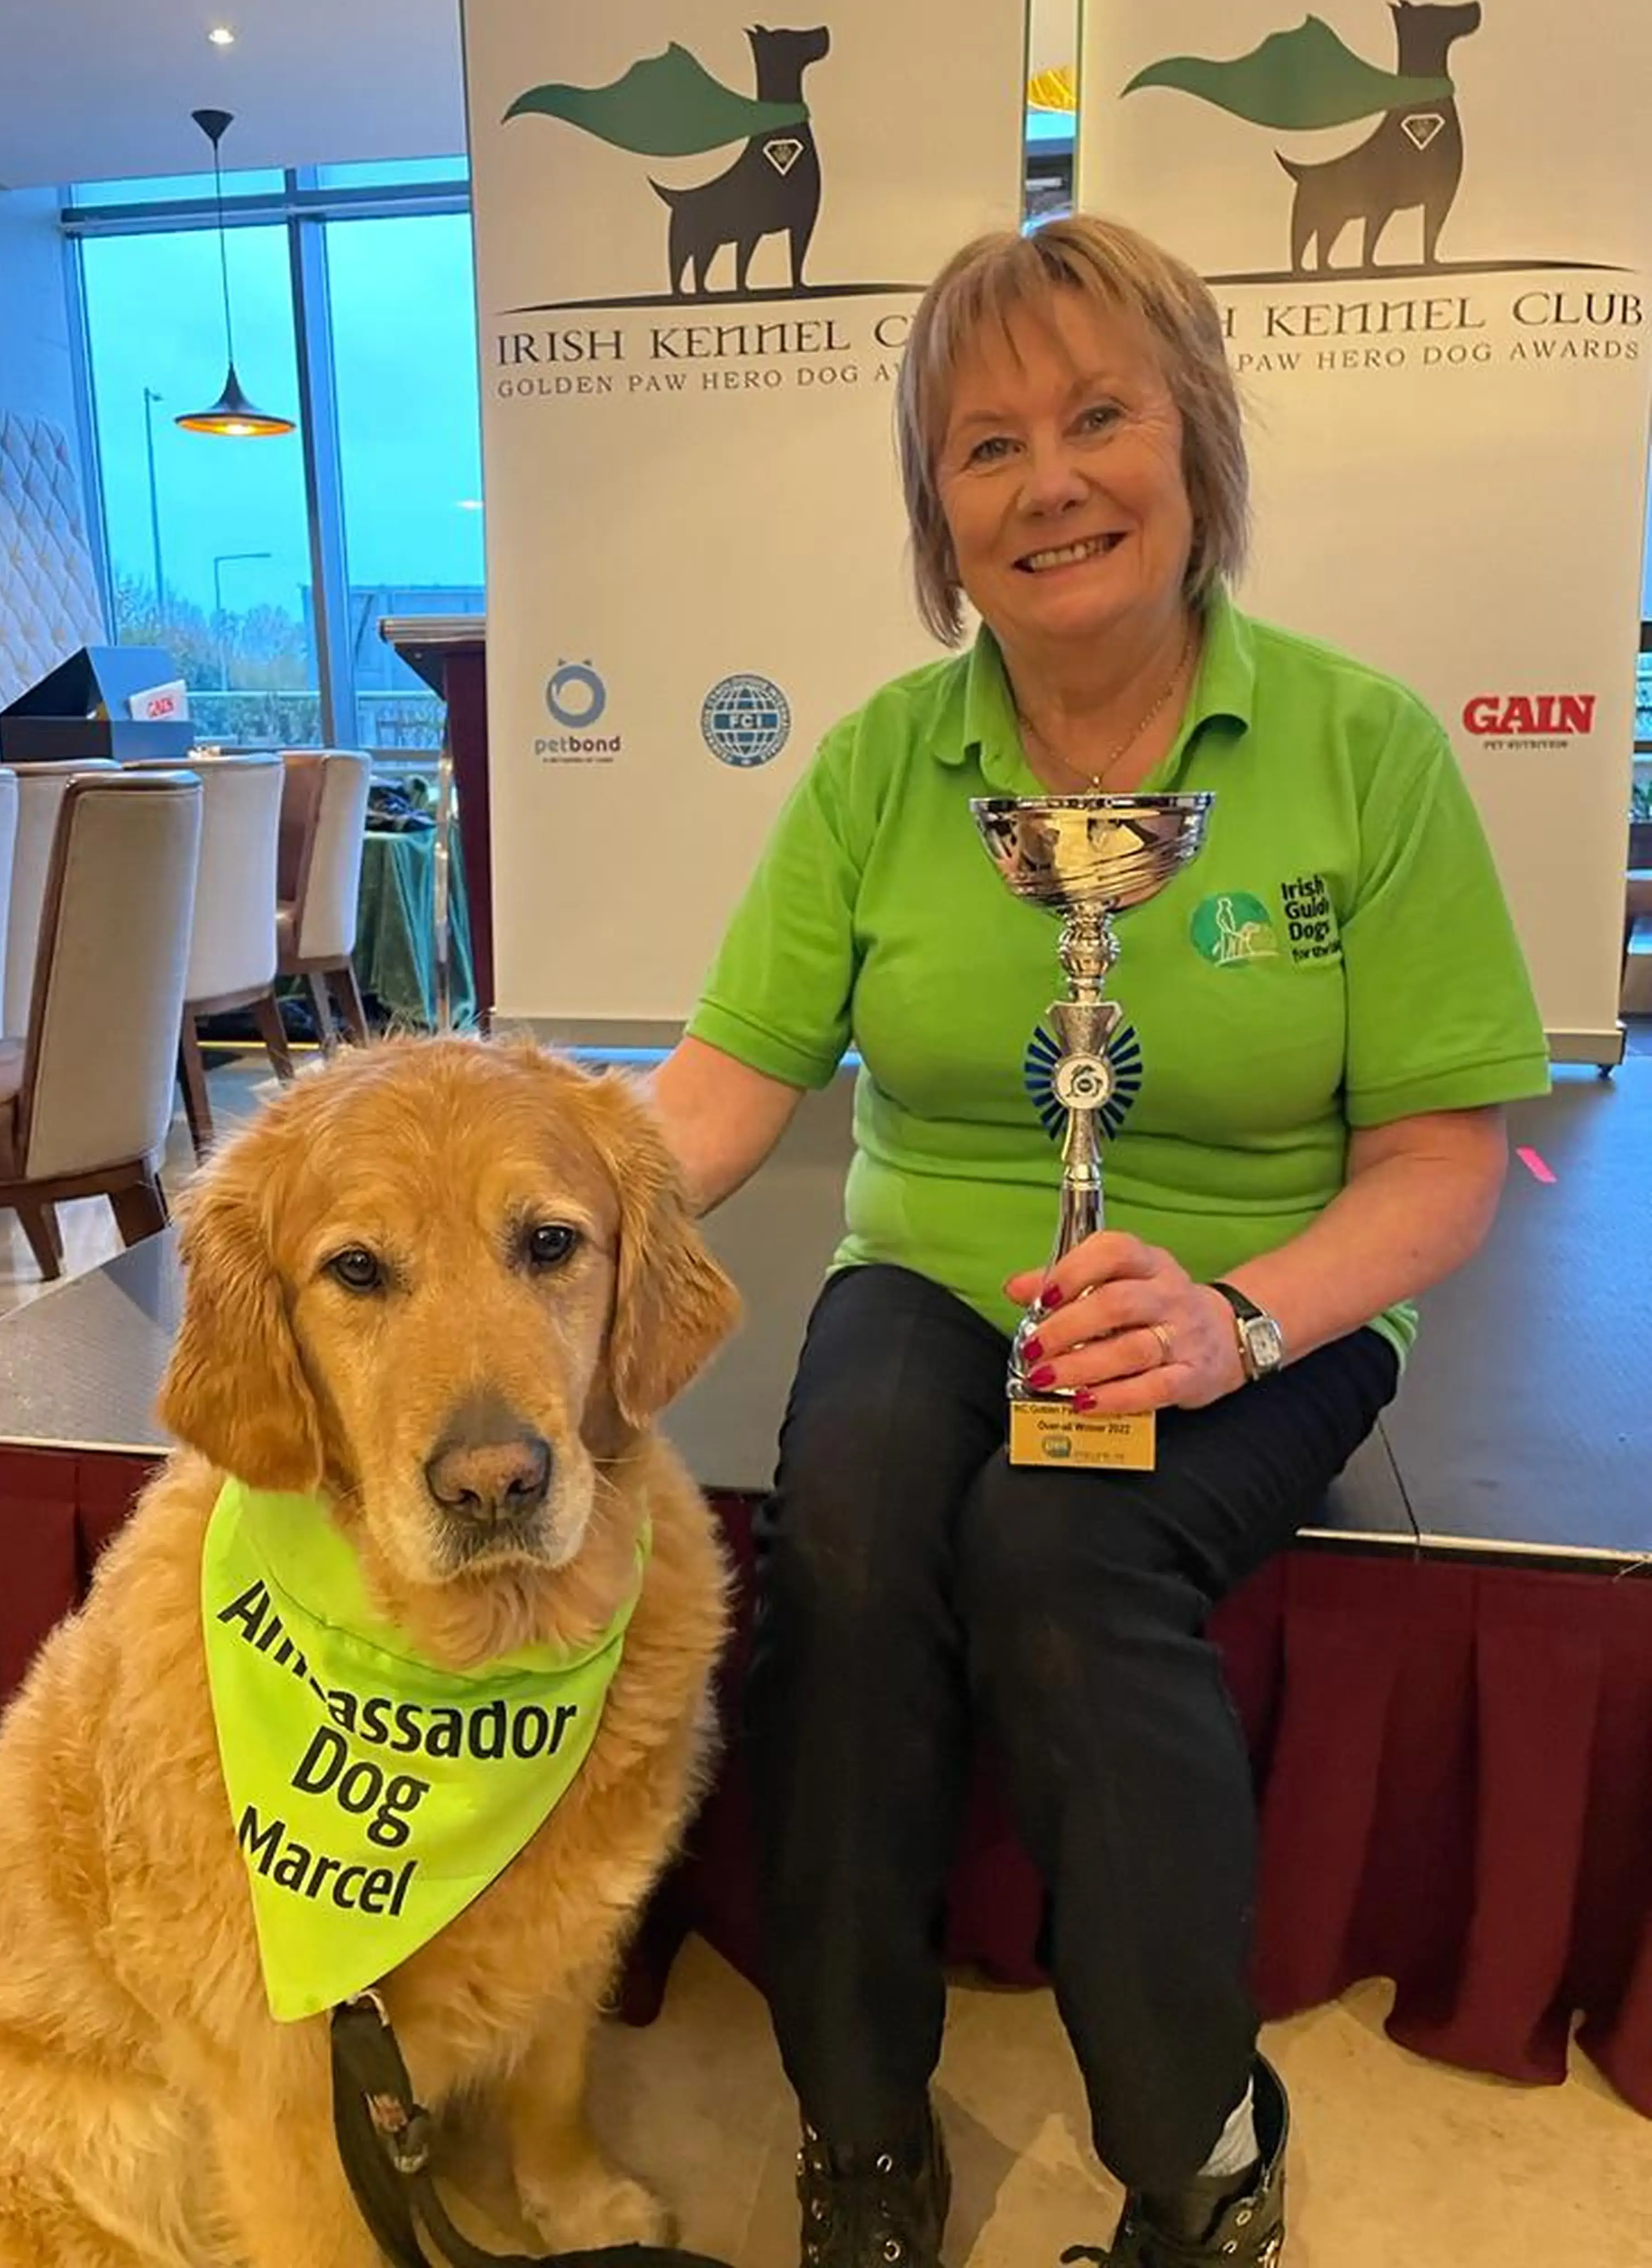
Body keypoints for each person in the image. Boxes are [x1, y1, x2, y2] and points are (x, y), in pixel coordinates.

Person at [646, 214, 1548, 2268]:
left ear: (1194, 442)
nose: (1048, 479)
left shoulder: (1364, 746)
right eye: (984, 445)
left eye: (1097, 416)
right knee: (859, 1527)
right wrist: (494, 1212)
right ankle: (859, 2121)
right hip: (936, 1268)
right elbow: (715, 1087)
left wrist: (1235, 1320)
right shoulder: (885, 762)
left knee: (1054, 1548)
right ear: (938, 515)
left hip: (1263, 1292)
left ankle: (1193, 2133)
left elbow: (1441, 1161)